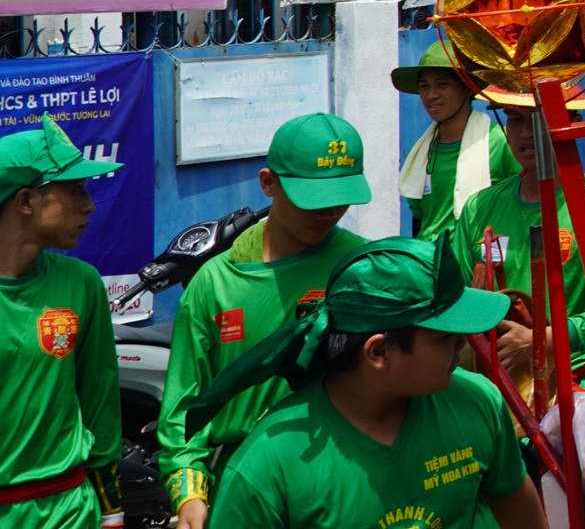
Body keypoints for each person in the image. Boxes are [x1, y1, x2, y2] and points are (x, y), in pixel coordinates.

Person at [194, 239, 539, 529]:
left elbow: (517, 510)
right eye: (446, 337)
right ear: (378, 351)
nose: (463, 344)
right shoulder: (268, 465)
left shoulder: (477, 402)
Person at [159, 114, 374, 528]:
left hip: (342, 478)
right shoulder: (215, 283)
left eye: (340, 196)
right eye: (311, 197)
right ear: (268, 183)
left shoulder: (363, 268)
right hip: (241, 486)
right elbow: (183, 409)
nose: (329, 211)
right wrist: (189, 496)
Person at [446, 89, 585, 385]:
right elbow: (455, 299)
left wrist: (546, 339)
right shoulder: (479, 208)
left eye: (538, 120)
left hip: (577, 386)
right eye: (515, 119)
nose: (526, 133)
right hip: (495, 389)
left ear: (573, 125)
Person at [0, 117, 123, 529]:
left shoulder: (81, 283)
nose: (89, 204)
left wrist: (111, 510)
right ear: (26, 202)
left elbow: (99, 402)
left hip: (68, 510)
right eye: (74, 191)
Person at [392, 45, 518, 242]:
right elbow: (419, 215)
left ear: (468, 87)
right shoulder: (420, 152)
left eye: (442, 84)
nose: (431, 95)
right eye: (424, 86)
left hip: (479, 262)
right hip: (428, 262)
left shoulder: (498, 142)